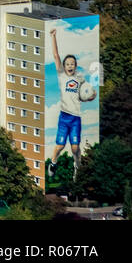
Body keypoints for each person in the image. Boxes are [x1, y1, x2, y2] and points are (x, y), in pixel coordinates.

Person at [49, 28, 86, 170]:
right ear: (64, 67)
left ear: (75, 66)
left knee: (75, 148)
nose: (70, 66)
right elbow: (56, 55)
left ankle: (78, 165)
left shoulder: (80, 78)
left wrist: (90, 97)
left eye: (72, 64)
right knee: (60, 146)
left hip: (76, 117)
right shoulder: (62, 76)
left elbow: (83, 95)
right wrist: (53, 36)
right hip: (64, 117)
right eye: (67, 64)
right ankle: (53, 162)